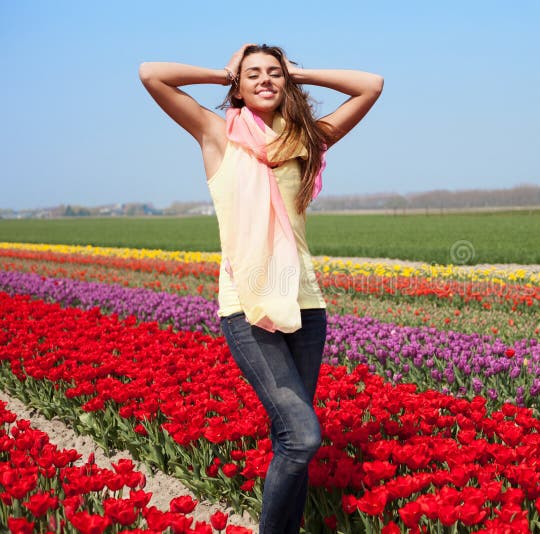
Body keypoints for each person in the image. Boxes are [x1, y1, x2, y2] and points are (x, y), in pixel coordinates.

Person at [139, 44, 383, 533]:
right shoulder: (216, 134)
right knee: (304, 436)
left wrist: (302, 72)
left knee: (288, 438)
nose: (266, 79)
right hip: (247, 309)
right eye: (254, 74)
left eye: (275, 73)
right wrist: (222, 72)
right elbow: (151, 74)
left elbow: (371, 85)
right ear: (239, 84)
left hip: (307, 306)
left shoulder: (307, 139)